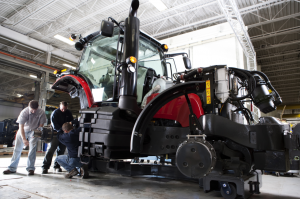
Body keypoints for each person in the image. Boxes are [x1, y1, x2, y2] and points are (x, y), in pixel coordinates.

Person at [3, 100, 46, 175]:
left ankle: (30, 168)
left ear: (38, 107)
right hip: (23, 130)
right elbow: (21, 126)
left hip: (34, 130)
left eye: (35, 110)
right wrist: (24, 139)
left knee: (32, 149)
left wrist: (37, 133)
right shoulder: (24, 112)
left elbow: (41, 124)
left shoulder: (41, 112)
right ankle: (12, 168)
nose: (33, 111)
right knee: (17, 148)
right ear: (29, 107)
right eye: (31, 110)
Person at [42, 101, 73, 174]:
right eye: (62, 109)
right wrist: (61, 130)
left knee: (61, 151)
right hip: (56, 134)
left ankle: (57, 166)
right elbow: (54, 124)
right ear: (60, 106)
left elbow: (71, 122)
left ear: (67, 107)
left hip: (64, 135)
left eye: (65, 109)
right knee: (51, 150)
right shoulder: (55, 113)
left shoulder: (68, 113)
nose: (63, 110)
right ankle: (45, 167)